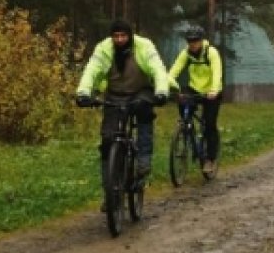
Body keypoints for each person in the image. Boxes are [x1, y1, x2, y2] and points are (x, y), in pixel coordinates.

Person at [75, 19, 170, 185]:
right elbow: (91, 70)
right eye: (116, 36)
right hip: (114, 94)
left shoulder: (144, 46)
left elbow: (157, 69)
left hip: (140, 91)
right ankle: (109, 191)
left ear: (130, 36)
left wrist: (161, 92)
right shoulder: (104, 48)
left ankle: (143, 159)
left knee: (144, 113)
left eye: (123, 36)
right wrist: (83, 93)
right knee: (107, 141)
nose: (119, 40)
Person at [168, 25, 223, 176]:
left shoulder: (211, 52)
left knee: (210, 124)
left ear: (201, 40)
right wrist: (169, 85)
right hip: (194, 88)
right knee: (182, 98)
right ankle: (185, 126)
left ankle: (210, 159)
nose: (193, 44)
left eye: (196, 41)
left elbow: (217, 72)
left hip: (212, 91)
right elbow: (173, 71)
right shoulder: (186, 53)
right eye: (190, 41)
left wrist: (214, 90)